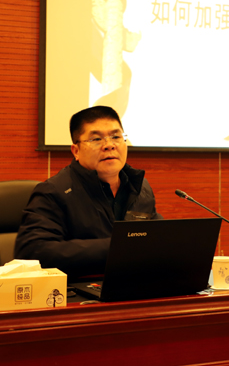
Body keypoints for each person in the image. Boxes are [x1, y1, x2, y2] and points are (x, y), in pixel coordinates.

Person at [14, 106, 160, 277]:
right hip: (80, 288)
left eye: (116, 137)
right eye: (96, 139)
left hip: (134, 284)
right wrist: (117, 247)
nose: (109, 145)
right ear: (76, 151)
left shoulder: (140, 186)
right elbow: (33, 252)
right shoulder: (53, 192)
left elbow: (157, 237)